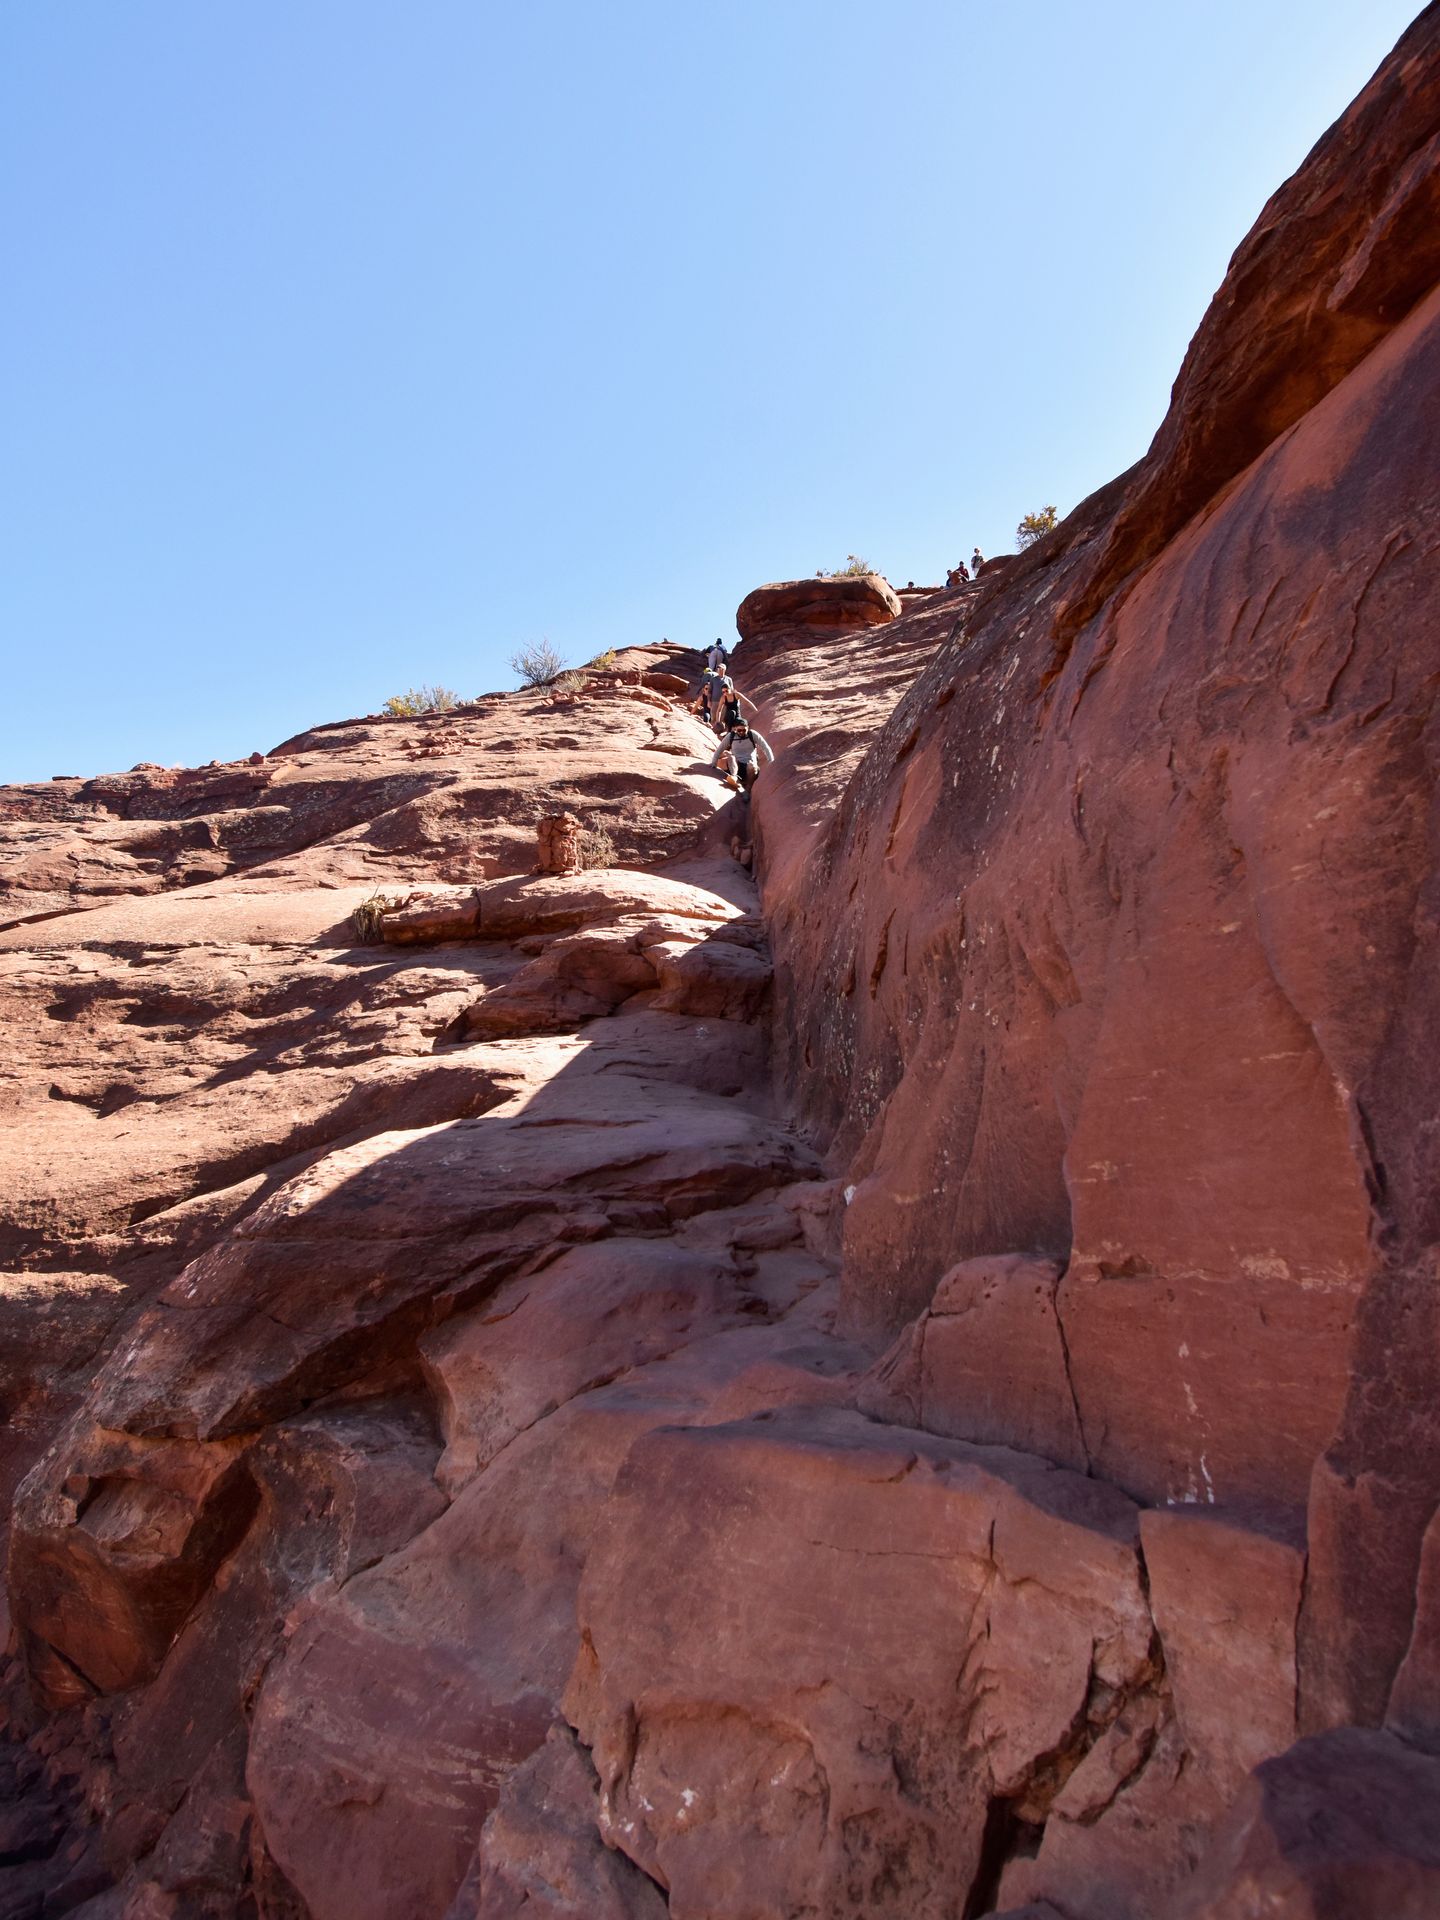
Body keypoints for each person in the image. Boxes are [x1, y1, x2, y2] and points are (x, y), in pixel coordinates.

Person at [712, 719, 774, 795]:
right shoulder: (731, 736)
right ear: (735, 729)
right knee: (731, 757)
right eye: (739, 730)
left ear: (747, 727)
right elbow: (719, 749)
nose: (741, 732)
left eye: (744, 730)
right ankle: (734, 778)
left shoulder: (753, 735)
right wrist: (713, 763)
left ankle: (748, 789)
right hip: (736, 765)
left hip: (749, 766)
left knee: (753, 766)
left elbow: (766, 747)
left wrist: (771, 761)